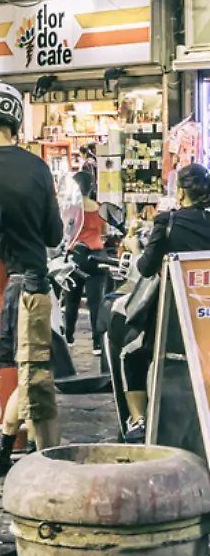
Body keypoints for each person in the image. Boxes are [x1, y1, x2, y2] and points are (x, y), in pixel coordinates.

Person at [0, 81, 64, 479]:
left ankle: (3, 451)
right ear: (16, 120)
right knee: (37, 379)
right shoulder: (36, 166)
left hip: (5, 286)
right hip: (33, 285)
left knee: (27, 374)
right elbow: (54, 235)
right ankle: (51, 465)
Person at [122, 163, 210, 438]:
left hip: (174, 319)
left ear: (181, 192)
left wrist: (134, 248)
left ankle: (138, 421)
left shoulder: (167, 222)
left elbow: (146, 268)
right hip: (204, 318)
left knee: (132, 355)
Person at [63, 169, 110, 348]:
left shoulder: (71, 209)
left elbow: (65, 231)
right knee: (96, 302)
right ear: (91, 187)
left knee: (71, 300)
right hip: (97, 256)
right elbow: (104, 231)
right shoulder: (99, 208)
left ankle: (69, 337)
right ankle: (97, 344)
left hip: (76, 256)